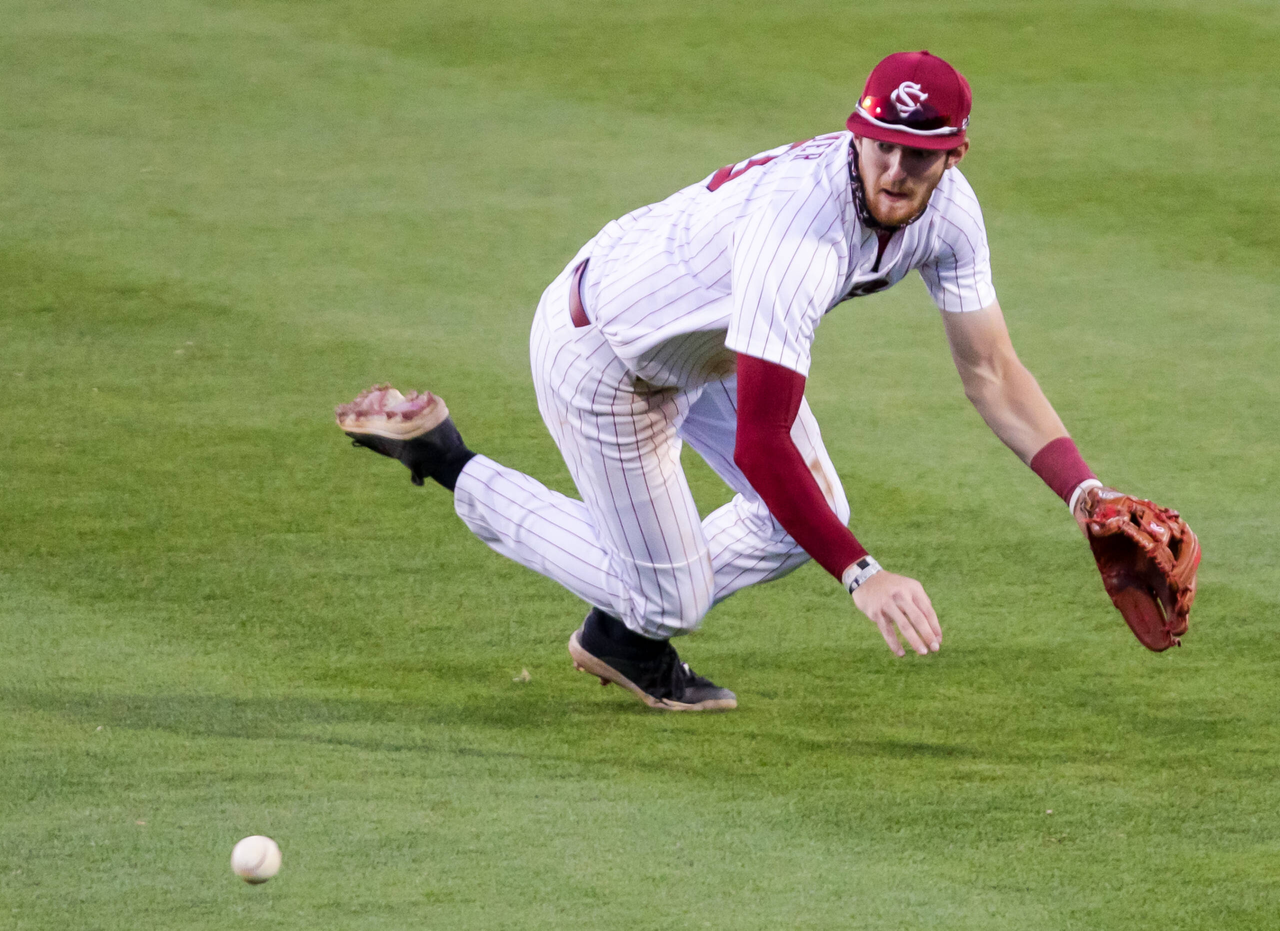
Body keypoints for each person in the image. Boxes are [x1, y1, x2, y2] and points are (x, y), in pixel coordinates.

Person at [336, 50, 1106, 712]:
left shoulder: (951, 218)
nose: (896, 170)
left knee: (807, 517)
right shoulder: (801, 232)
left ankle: (620, 631)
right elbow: (763, 443)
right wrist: (861, 573)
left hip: (709, 341)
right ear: (856, 132)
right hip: (608, 352)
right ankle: (445, 457)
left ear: (954, 155)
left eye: (920, 155)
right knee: (676, 598)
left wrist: (1086, 494)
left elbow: (992, 370)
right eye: (881, 146)